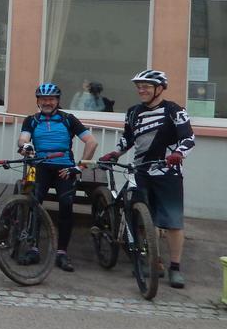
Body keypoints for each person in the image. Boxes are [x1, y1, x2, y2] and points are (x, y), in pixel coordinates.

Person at [100, 69, 195, 288]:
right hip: (140, 171)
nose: (141, 90)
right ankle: (153, 261)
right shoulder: (133, 112)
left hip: (167, 173)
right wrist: (115, 153)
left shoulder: (174, 110)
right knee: (141, 218)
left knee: (172, 222)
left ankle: (175, 268)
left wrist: (178, 154)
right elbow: (128, 138)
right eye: (139, 87)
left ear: (159, 88)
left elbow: (188, 137)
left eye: (146, 86)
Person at [18, 83, 98, 272]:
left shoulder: (68, 119)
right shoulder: (31, 120)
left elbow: (92, 142)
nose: (47, 102)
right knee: (34, 205)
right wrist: (25, 146)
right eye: (43, 99)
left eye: (51, 99)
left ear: (57, 101)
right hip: (41, 166)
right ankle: (33, 249)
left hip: (65, 168)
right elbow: (23, 139)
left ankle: (62, 252)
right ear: (38, 101)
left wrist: (80, 167)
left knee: (66, 206)